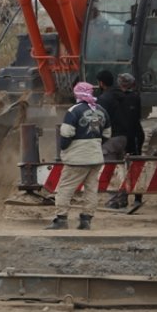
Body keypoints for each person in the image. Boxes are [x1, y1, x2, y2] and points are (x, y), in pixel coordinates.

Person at [48, 81, 111, 230]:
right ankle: (86, 220)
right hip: (95, 157)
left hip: (77, 158)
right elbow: (107, 134)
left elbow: (66, 133)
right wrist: (94, 145)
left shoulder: (73, 111)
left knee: (66, 188)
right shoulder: (101, 110)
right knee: (91, 189)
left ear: (77, 93)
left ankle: (61, 219)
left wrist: (64, 148)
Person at [104, 72, 146, 209]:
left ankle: (121, 198)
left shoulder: (112, 97)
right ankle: (137, 197)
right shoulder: (134, 97)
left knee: (119, 167)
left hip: (120, 135)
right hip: (134, 135)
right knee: (134, 165)